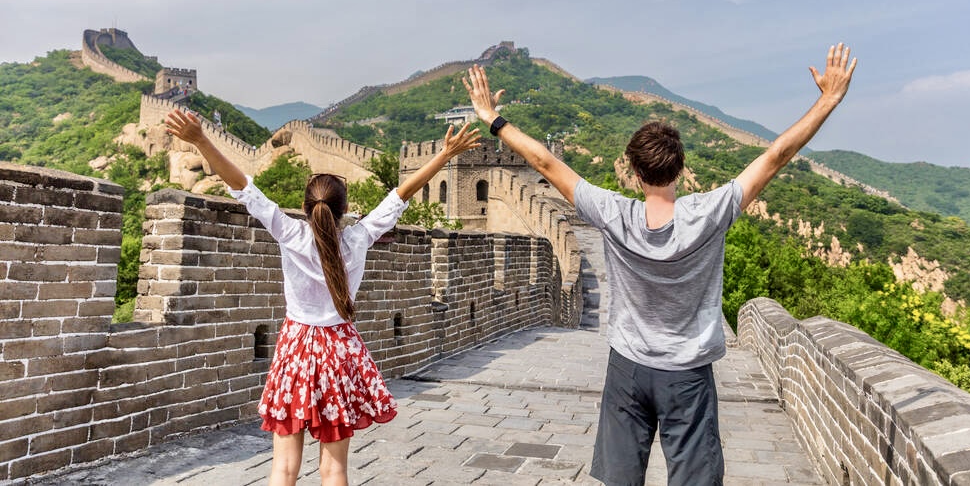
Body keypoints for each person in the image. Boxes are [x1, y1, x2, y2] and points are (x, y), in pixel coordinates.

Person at [463, 44, 857, 486]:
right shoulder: (709, 214)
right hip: (687, 375)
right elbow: (775, 156)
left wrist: (492, 118)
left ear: (633, 172)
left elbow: (544, 161)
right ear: (681, 168)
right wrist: (827, 100)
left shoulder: (614, 213)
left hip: (628, 369)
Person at [165, 108, 481, 486]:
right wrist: (445, 156)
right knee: (334, 469)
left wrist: (200, 140)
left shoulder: (290, 234)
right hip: (339, 351)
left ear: (305, 208)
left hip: (296, 349)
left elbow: (243, 188)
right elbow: (401, 195)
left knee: (282, 468)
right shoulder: (359, 238)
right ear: (344, 209)